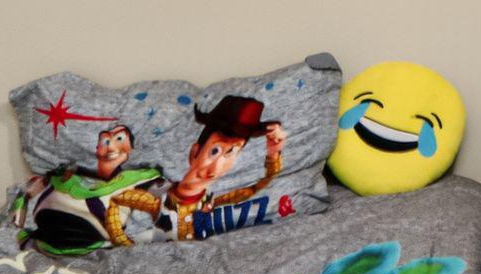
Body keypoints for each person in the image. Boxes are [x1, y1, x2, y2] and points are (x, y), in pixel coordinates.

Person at [107, 97, 284, 244]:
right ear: (195, 153)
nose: (215, 167)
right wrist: (125, 245)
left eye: (231, 153)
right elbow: (117, 201)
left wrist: (273, 153)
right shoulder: (159, 199)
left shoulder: (215, 202)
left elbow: (261, 187)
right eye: (214, 151)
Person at [15, 124, 161, 256]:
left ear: (130, 149)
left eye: (120, 139)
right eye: (106, 141)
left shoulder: (138, 177)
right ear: (97, 147)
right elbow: (25, 196)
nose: (111, 147)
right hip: (47, 235)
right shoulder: (61, 174)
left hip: (100, 237)